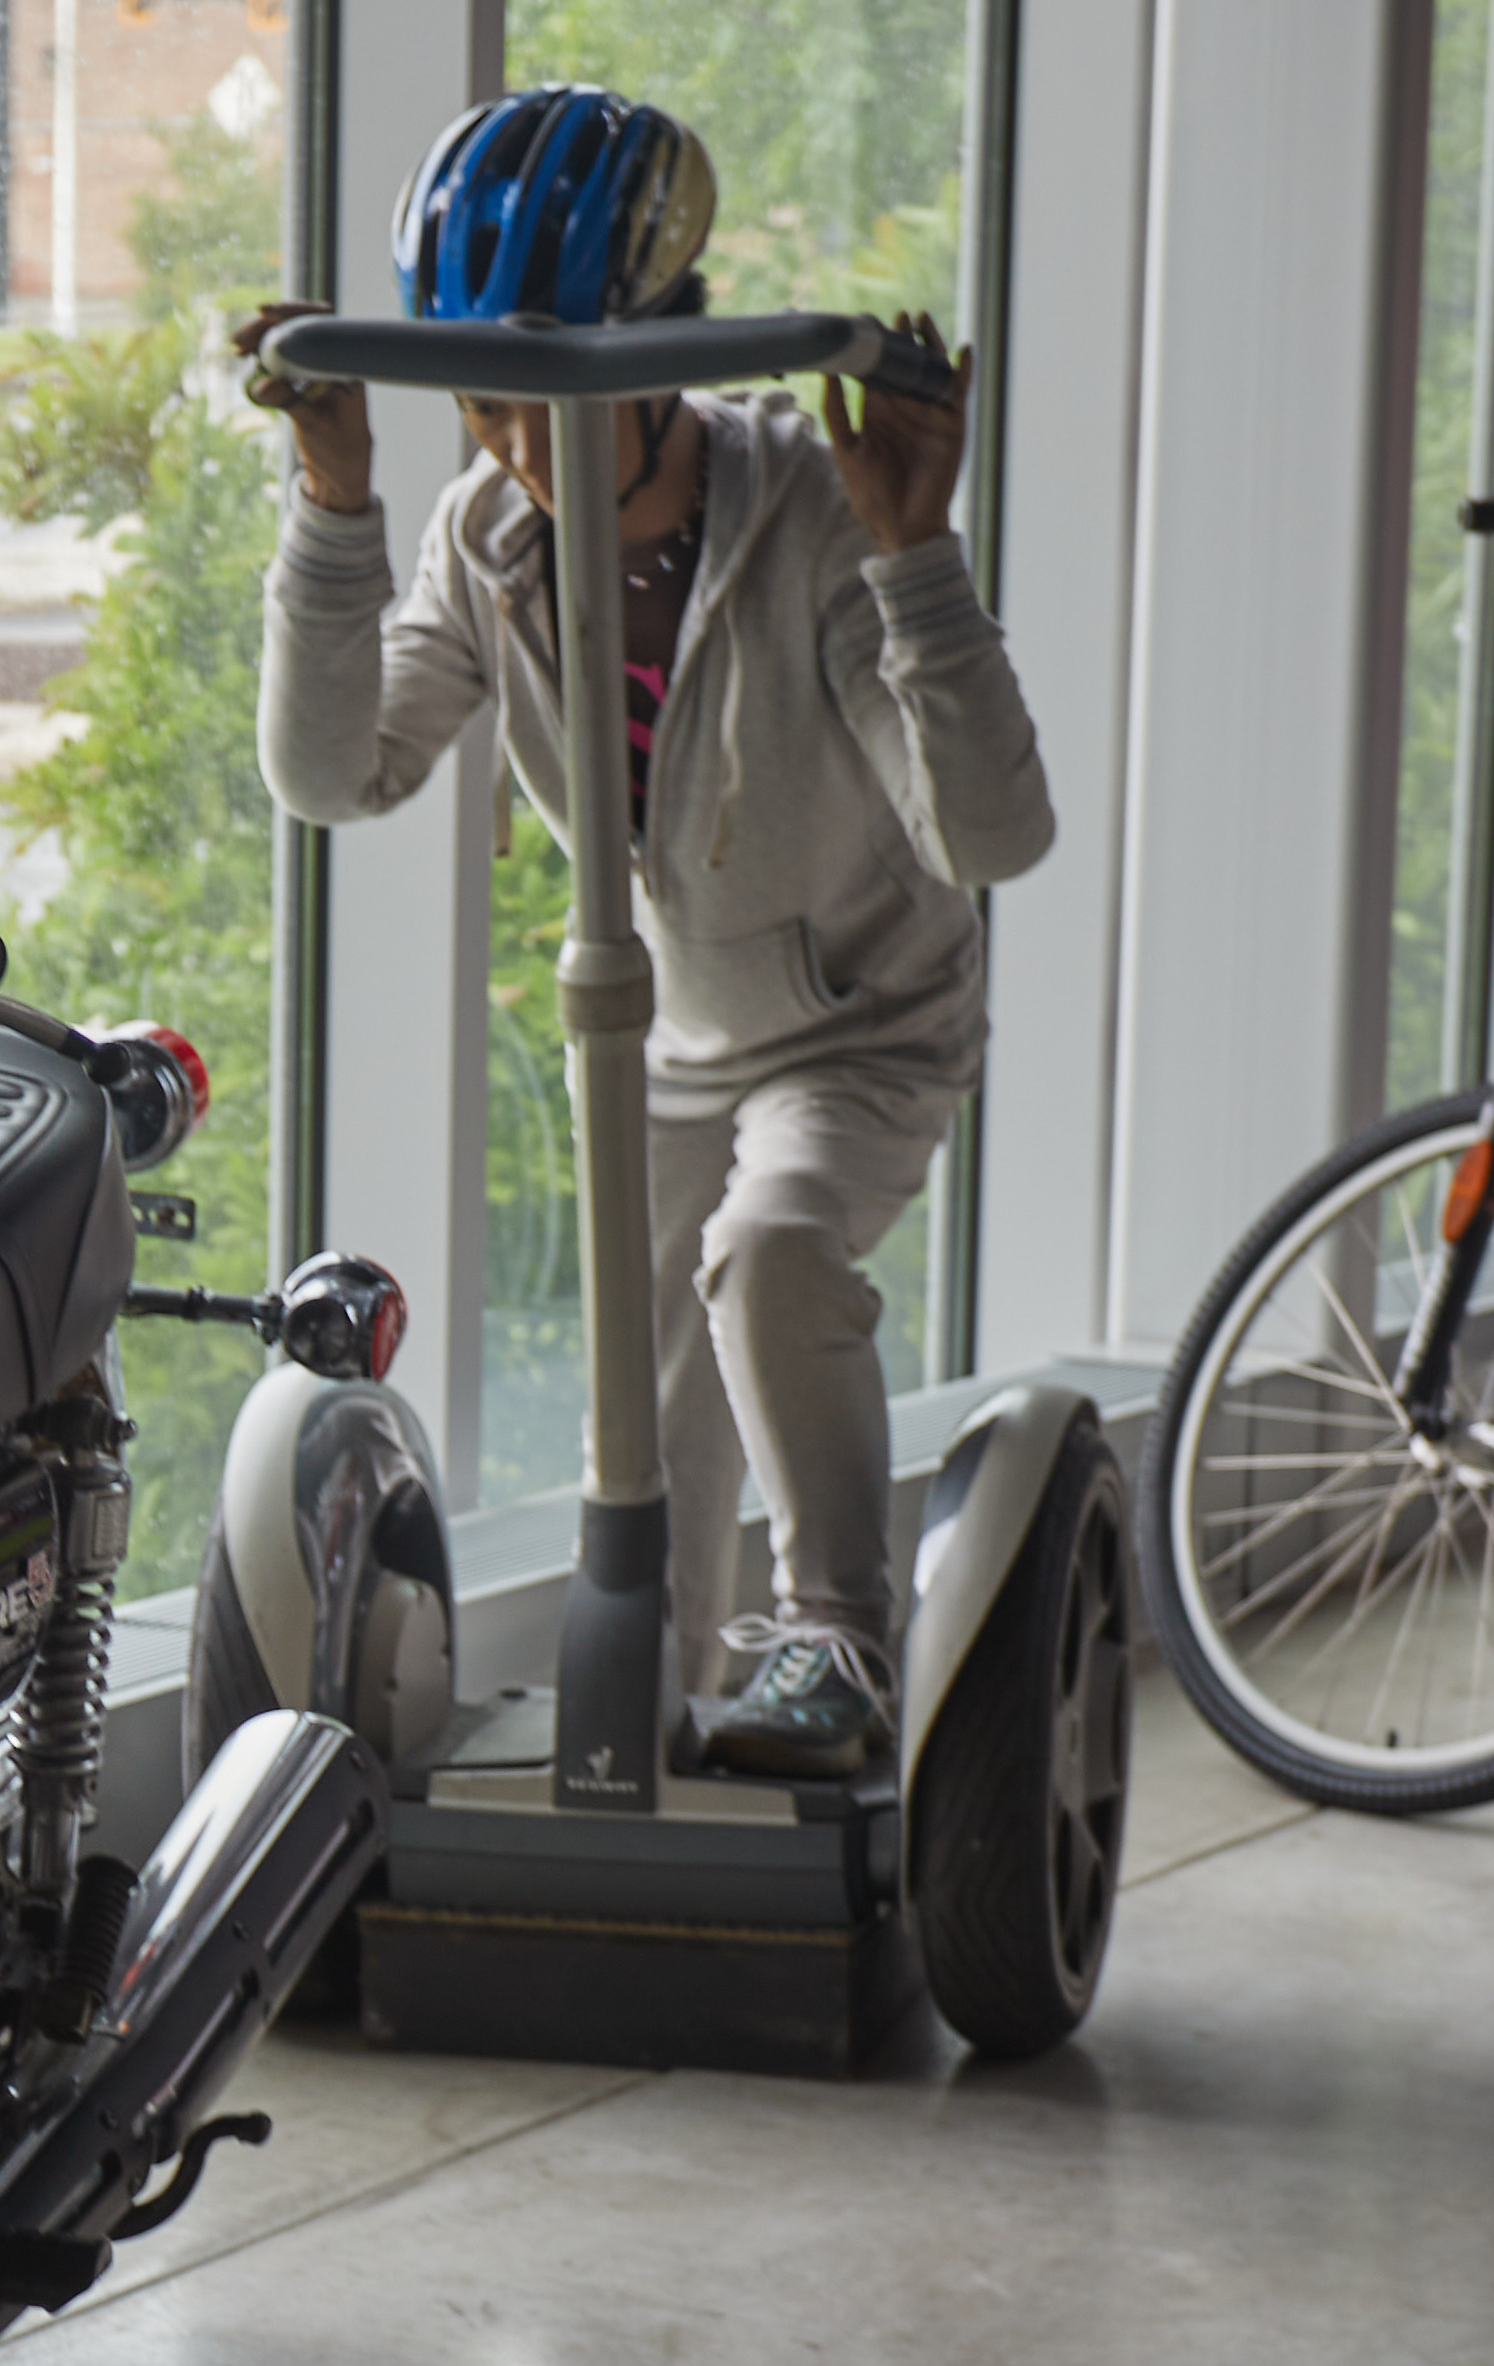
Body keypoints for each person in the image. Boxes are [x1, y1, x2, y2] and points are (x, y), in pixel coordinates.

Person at [238, 86, 1058, 1779]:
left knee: (771, 1253)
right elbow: (338, 772)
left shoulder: (811, 511)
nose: (522, 445)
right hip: (669, 1031)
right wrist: (333, 495)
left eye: (564, 394)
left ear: (666, 360)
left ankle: (839, 1640)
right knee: (647, 1413)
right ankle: (659, 1747)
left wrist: (916, 554)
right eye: (485, 401)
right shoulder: (487, 540)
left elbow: (987, 836)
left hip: (863, 1021)